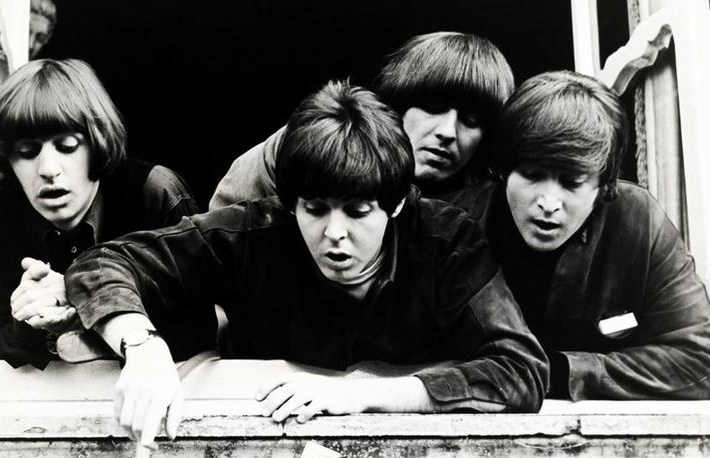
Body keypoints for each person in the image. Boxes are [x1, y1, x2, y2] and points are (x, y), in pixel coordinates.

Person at [65, 81, 548, 448]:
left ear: (397, 204)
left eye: (358, 211)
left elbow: (521, 370)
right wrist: (142, 347)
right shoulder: (251, 232)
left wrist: (365, 393)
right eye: (315, 209)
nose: (334, 232)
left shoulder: (447, 242)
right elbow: (102, 262)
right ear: (290, 202)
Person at [486, 70, 710, 400]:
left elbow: (699, 359)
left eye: (572, 182)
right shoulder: (459, 223)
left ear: (604, 187)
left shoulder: (639, 221)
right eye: (532, 175)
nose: (549, 203)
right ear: (503, 171)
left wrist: (560, 373)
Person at [0, 58, 216, 368]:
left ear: (98, 143)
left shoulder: (154, 194)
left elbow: (200, 334)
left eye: (67, 146)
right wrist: (31, 323)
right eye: (27, 152)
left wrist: (83, 309)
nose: (48, 169)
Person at [209, 31, 513, 221]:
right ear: (399, 102)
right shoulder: (317, 139)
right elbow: (225, 234)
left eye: (471, 121)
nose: (447, 132)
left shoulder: (492, 201)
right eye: (433, 108)